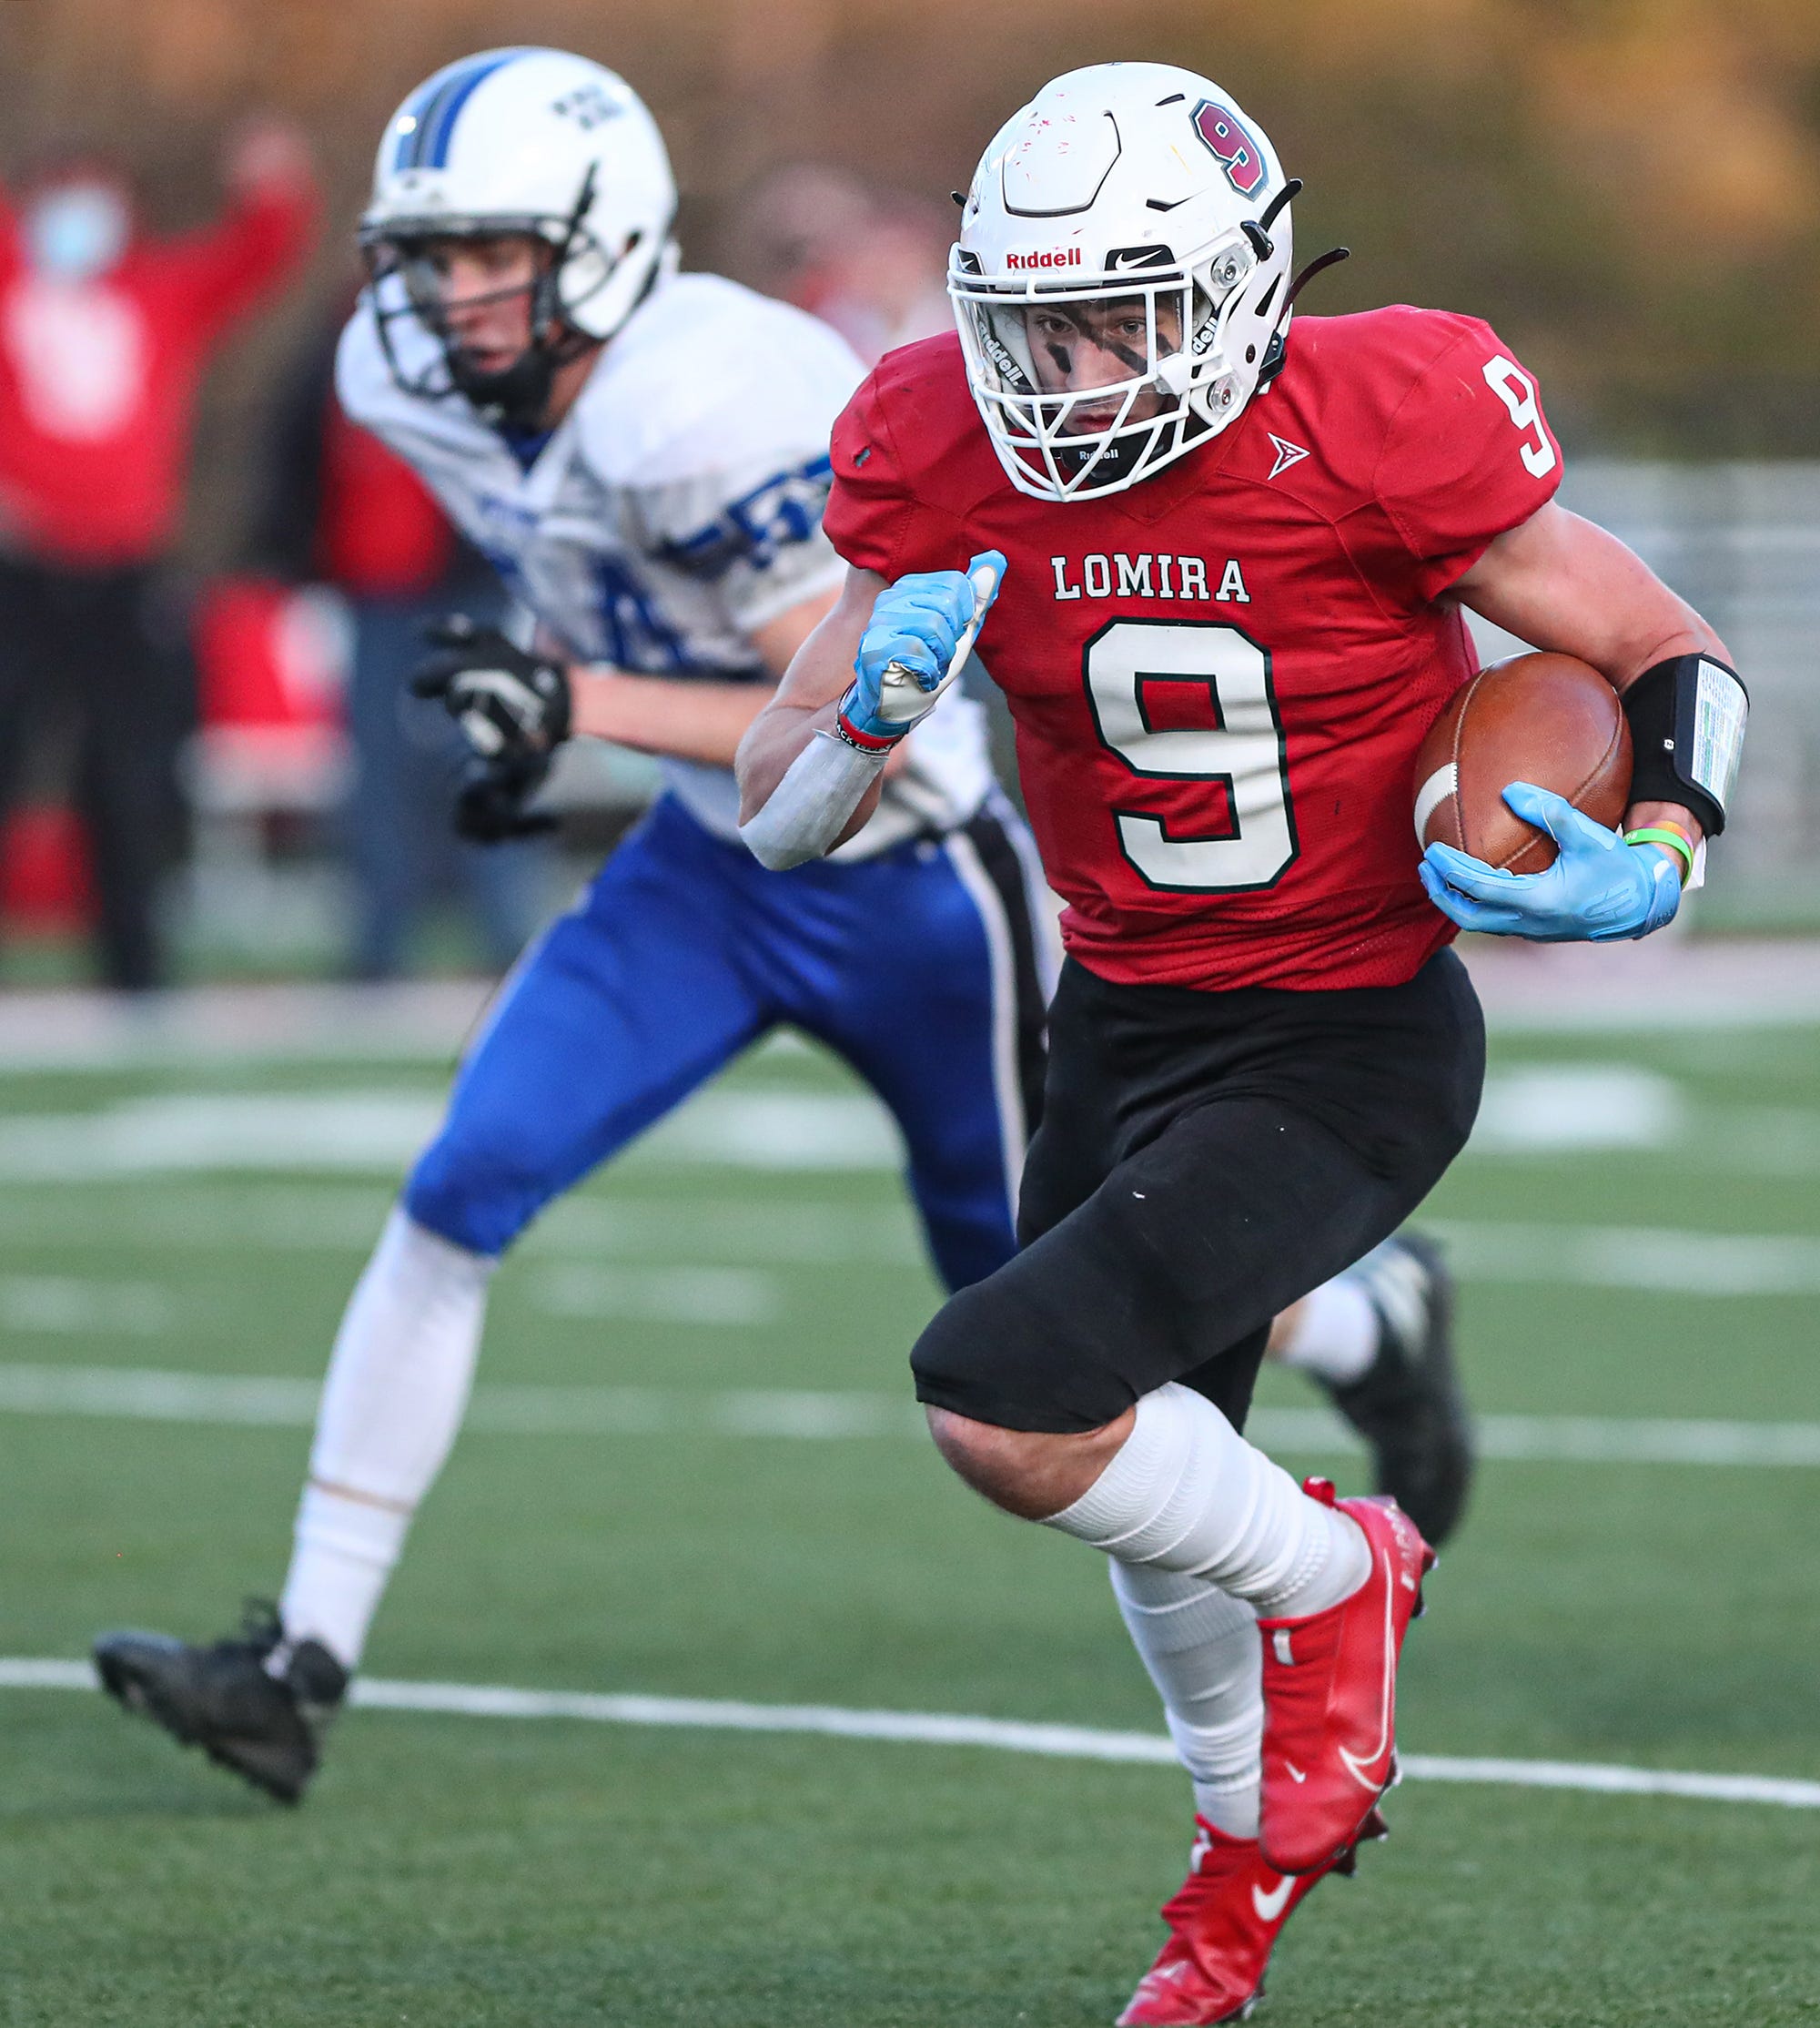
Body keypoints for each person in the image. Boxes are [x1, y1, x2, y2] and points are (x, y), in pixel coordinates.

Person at [91, 48, 1471, 1819]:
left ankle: (1358, 1326)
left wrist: (570, 694)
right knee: (462, 1180)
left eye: (487, 254)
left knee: (1040, 1312)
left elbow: (815, 711)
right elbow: (621, 633)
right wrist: (556, 701)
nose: (444, 297)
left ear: (600, 239)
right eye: (425, 258)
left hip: (903, 875)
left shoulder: (718, 399)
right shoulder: (405, 375)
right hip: (705, 867)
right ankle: (300, 1660)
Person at [735, 62, 1744, 2027]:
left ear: (1239, 290)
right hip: (1115, 1019)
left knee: (1000, 1395)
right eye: (1028, 320)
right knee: (1139, 1458)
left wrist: (1664, 847)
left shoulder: (1383, 415)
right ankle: (1231, 1896)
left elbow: (1659, 644)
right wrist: (861, 720)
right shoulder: (934, 439)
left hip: (1348, 1031)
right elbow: (777, 815)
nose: (1069, 369)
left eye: (1116, 313)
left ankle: (1343, 1580)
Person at [0, 123, 320, 989]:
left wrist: (272, 186)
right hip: (20, 571)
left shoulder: (152, 296)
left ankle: (134, 971)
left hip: (122, 572)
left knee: (129, 775)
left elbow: (250, 261)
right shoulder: (11, 284)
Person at [255, 300, 548, 979]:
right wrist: (294, 555)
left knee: (485, 753)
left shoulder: (474, 351)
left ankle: (503, 933)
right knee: (376, 773)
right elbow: (297, 462)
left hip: (461, 586)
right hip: (370, 592)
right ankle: (379, 942)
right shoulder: (332, 356)